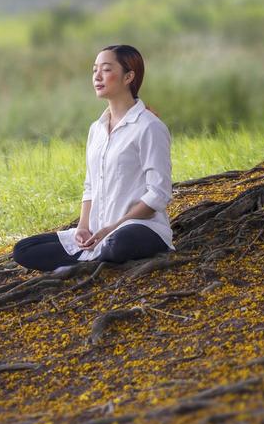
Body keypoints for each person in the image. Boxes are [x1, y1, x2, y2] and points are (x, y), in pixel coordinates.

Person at [11, 44, 175, 272]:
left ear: (129, 76)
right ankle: (86, 258)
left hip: (139, 228)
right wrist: (83, 226)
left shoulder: (149, 127)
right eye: (94, 70)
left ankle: (79, 263)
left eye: (106, 70)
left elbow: (158, 194)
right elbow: (90, 185)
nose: (97, 76)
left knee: (117, 244)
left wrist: (111, 228)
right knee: (23, 249)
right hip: (99, 233)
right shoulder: (96, 129)